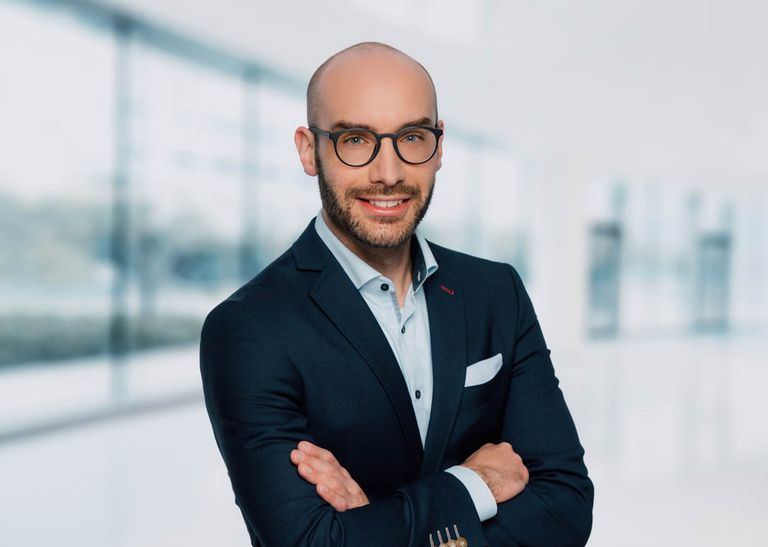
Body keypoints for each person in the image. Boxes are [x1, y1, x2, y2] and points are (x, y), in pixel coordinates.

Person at [200, 41, 593, 547]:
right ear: (308, 150)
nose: (388, 174)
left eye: (411, 137)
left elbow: (566, 508)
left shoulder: (497, 292)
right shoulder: (249, 329)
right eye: (356, 140)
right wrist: (472, 485)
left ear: (439, 146)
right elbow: (309, 543)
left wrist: (375, 523)